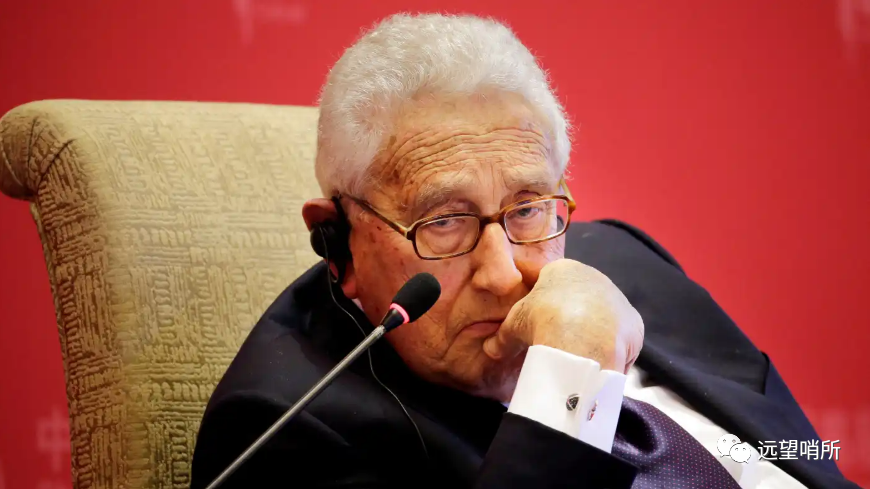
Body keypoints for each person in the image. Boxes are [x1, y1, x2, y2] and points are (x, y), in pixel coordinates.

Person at [190, 13, 858, 489]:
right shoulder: (292, 430)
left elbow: (800, 453)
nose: (504, 273)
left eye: (528, 207)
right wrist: (571, 377)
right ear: (339, 246)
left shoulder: (624, 258)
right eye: (445, 221)